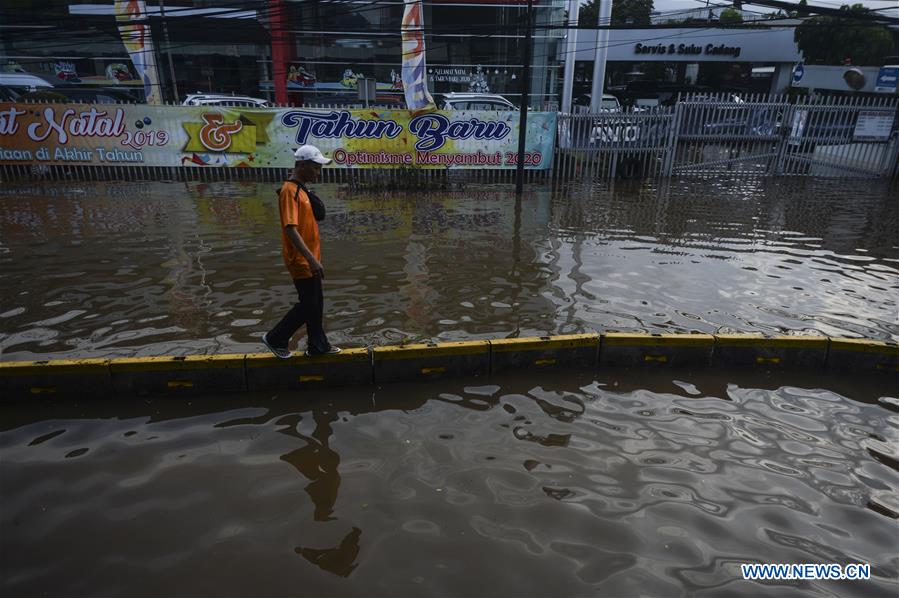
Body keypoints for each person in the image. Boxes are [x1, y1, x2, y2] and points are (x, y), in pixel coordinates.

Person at [262, 145, 340, 358]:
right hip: (301, 260)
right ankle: (276, 338)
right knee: (309, 305)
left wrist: (314, 258)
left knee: (316, 303)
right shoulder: (289, 191)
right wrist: (310, 259)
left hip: (310, 259)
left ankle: (317, 346)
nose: (318, 172)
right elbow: (290, 229)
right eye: (315, 168)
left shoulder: (301, 189)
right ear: (302, 165)